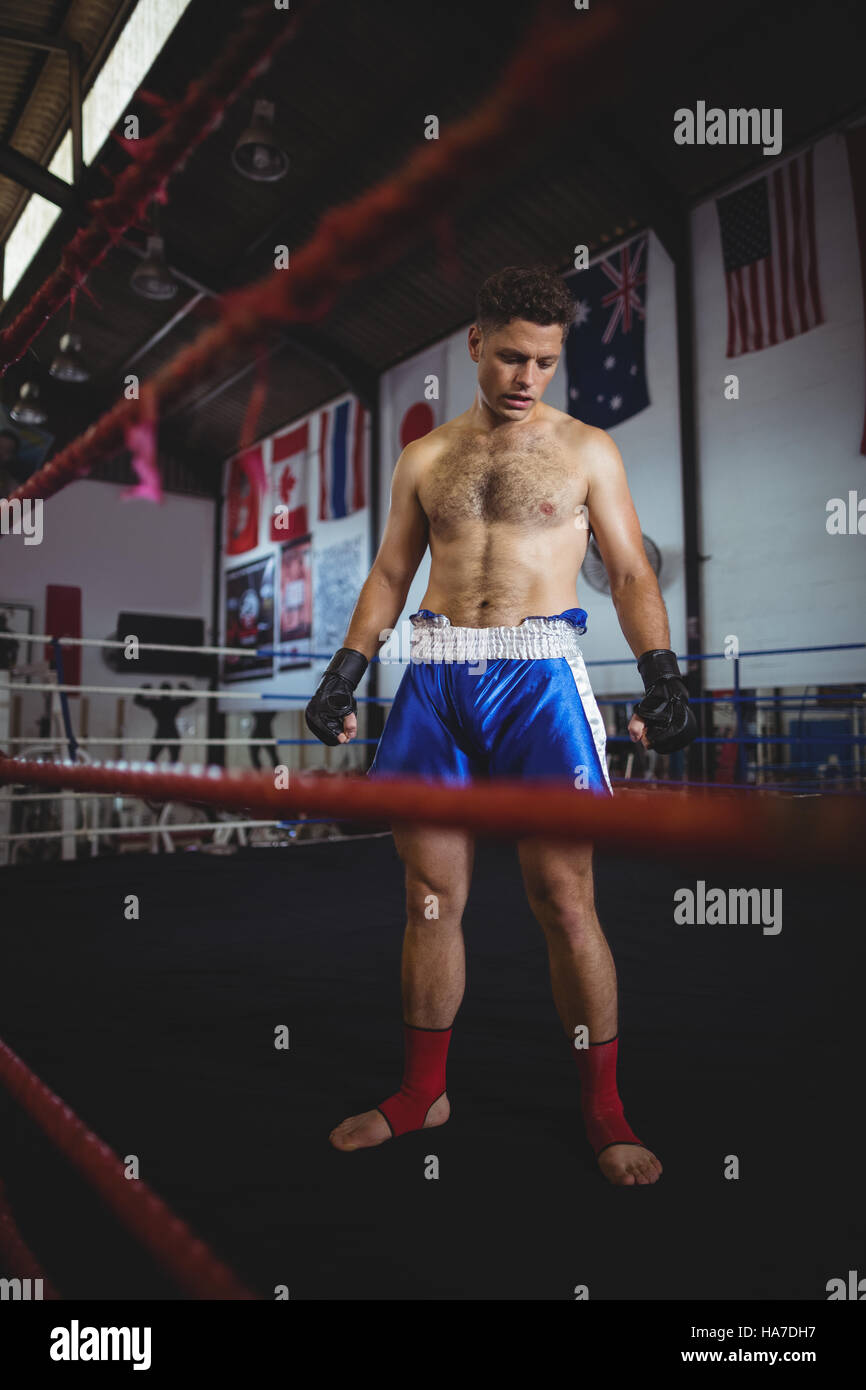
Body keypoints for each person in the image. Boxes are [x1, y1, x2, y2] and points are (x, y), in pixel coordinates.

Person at [305, 266, 696, 1187]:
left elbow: (632, 571)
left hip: (541, 680)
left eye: (547, 361)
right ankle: (421, 1095)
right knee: (428, 900)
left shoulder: (588, 450)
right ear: (475, 344)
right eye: (513, 355)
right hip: (434, 679)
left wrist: (662, 673)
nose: (528, 376)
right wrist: (347, 667)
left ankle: (605, 1110)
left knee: (564, 901)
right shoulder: (426, 458)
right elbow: (391, 576)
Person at [133, 682, 197, 764]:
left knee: (155, 759)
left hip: (163, 732)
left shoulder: (157, 703)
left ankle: (155, 775)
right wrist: (186, 688)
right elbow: (192, 698)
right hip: (170, 732)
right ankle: (167, 775)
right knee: (171, 759)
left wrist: (143, 689)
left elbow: (137, 700)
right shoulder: (172, 703)